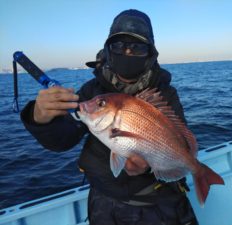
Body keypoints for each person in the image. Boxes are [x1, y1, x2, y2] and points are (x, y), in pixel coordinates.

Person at [21, 9, 199, 225]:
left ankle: (200, 174)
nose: (128, 52)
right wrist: (40, 117)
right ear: (107, 50)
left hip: (157, 201)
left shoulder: (165, 94)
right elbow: (62, 140)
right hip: (103, 201)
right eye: (119, 45)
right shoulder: (92, 91)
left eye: (138, 47)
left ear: (151, 53)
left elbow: (178, 141)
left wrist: (149, 165)